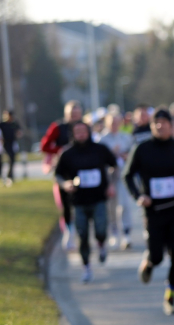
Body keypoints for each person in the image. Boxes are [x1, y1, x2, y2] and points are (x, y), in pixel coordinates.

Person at [125, 108, 174, 315]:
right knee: (157, 256)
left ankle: (170, 297)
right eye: (157, 123)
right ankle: (149, 263)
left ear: (172, 126)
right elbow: (127, 175)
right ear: (152, 126)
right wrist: (139, 196)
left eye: (165, 122)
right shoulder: (142, 149)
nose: (160, 126)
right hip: (153, 211)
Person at [54, 122, 118, 283]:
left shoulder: (100, 149)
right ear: (73, 134)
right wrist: (65, 184)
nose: (81, 134)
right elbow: (58, 175)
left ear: (88, 132)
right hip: (78, 201)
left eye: (83, 131)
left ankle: (102, 244)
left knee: (101, 230)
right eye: (77, 132)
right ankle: (87, 267)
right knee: (82, 236)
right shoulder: (67, 153)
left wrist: (110, 184)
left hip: (99, 198)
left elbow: (114, 166)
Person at [41, 100, 84, 250]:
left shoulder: (84, 126)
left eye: (77, 113)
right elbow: (45, 145)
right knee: (65, 203)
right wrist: (60, 149)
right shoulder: (58, 127)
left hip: (82, 169)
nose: (74, 116)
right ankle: (69, 232)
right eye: (72, 113)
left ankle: (83, 233)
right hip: (64, 170)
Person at [99, 112, 135, 250]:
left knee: (124, 204)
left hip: (122, 175)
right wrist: (111, 155)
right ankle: (114, 231)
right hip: (108, 177)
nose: (114, 125)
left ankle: (126, 233)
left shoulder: (126, 137)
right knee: (111, 206)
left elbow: (132, 154)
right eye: (111, 122)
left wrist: (126, 155)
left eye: (116, 122)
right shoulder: (102, 139)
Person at [0, 110, 22, 185]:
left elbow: (19, 131)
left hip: (13, 143)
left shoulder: (14, 123)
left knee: (12, 159)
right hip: (5, 144)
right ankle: (7, 176)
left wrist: (19, 134)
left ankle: (10, 175)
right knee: (10, 157)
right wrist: (0, 139)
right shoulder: (2, 124)